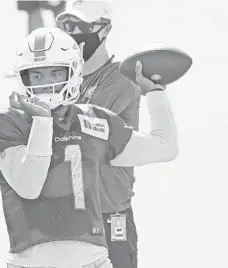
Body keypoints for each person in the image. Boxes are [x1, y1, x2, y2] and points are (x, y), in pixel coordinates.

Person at [0, 27, 178, 268]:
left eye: (55, 73)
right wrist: (42, 122)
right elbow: (29, 186)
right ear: (23, 78)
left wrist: (155, 93)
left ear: (74, 72)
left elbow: (164, 148)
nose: (47, 84)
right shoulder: (5, 122)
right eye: (37, 76)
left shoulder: (95, 120)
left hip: (93, 262)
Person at [56, 1, 141, 267]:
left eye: (81, 27)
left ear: (104, 29)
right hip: (69, 214)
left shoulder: (120, 77)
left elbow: (78, 129)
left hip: (109, 213)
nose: (73, 33)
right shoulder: (66, 80)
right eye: (68, 26)